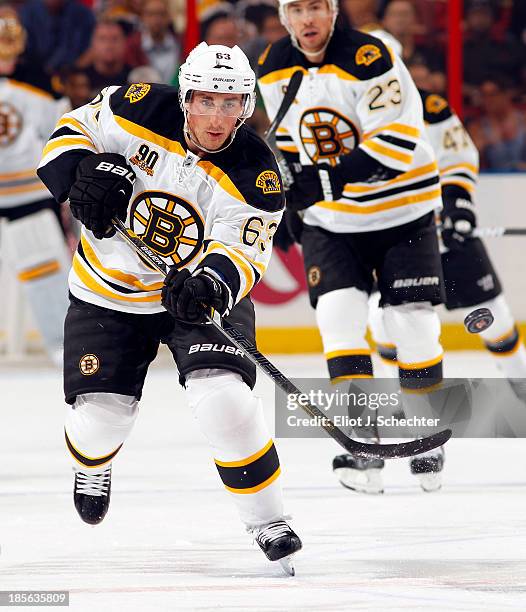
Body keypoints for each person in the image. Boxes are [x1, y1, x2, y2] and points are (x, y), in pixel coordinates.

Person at [37, 42, 302, 574]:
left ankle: (267, 518)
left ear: (246, 106)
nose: (217, 116)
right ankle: (94, 464)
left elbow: (242, 250)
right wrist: (87, 172)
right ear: (185, 97)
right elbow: (67, 135)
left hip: (192, 301)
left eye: (231, 104)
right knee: (97, 426)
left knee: (225, 401)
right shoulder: (136, 107)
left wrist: (210, 283)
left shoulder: (256, 171)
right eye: (207, 100)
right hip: (107, 292)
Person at [258, 0, 446, 492]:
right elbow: (287, 145)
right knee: (337, 321)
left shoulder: (372, 55)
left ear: (333, 10)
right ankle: (364, 444)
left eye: (316, 6)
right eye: (296, 9)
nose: (308, 19)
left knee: (414, 325)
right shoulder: (272, 64)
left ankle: (426, 434)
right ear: (284, 16)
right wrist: (291, 205)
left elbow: (395, 141)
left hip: (402, 212)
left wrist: (318, 185)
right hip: (332, 223)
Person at [370, 83, 526, 423]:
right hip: (391, 243)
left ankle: (521, 381)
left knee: (492, 316)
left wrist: (458, 204)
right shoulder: (343, 111)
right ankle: (397, 399)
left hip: (446, 238)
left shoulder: (430, 106)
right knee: (384, 322)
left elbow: (458, 155)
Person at [0, 8, 70, 365]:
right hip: (28, 192)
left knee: (45, 270)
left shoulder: (39, 80)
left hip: (28, 193)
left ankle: (61, 343)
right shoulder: (41, 80)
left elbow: (62, 133)